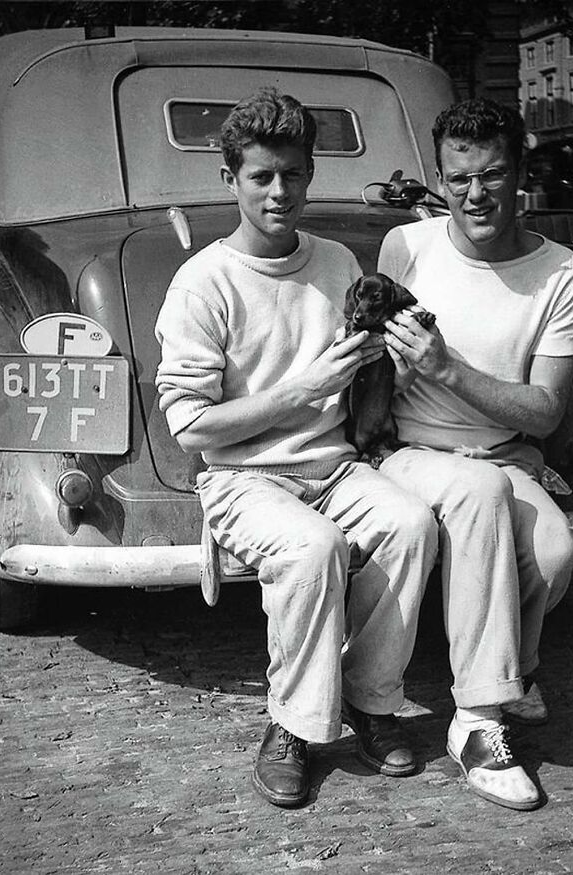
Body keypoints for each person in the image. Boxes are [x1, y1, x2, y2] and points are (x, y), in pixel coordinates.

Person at [154, 87, 438, 808]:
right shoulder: (203, 282)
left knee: (410, 525)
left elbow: (363, 379)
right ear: (231, 181)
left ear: (310, 174)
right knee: (312, 549)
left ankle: (371, 699)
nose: (280, 192)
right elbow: (189, 426)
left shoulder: (339, 261)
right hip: (240, 475)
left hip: (332, 464)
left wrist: (399, 363)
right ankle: (293, 725)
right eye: (261, 176)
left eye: (293, 174)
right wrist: (299, 392)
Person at [377, 97, 573, 811]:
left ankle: (514, 665)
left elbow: (545, 408)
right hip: (413, 450)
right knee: (480, 496)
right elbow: (376, 372)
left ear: (519, 173)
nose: (475, 195)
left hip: (505, 454)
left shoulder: (562, 273)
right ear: (440, 178)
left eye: (493, 175)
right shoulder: (406, 248)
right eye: (458, 177)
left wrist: (450, 370)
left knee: (556, 553)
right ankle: (479, 720)